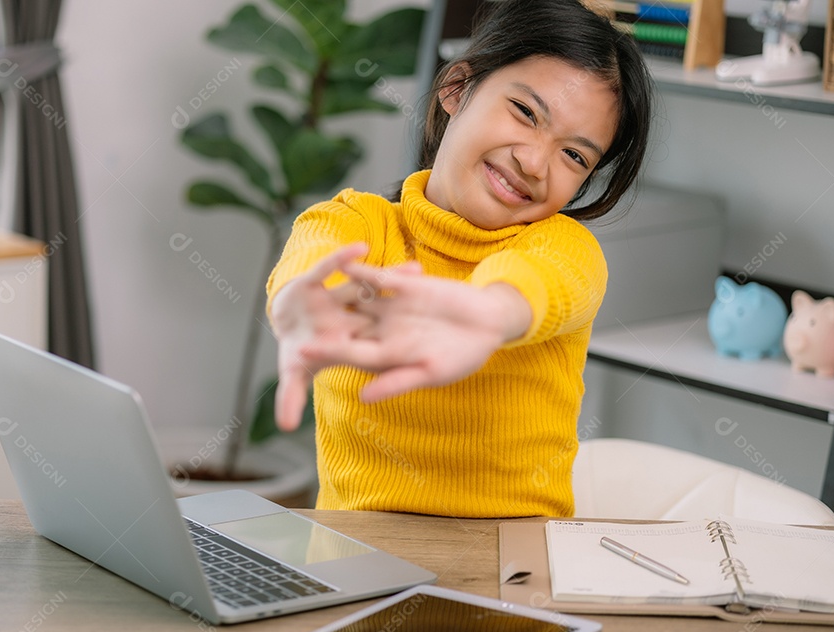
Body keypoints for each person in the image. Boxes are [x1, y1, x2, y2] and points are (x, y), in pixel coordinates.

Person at [265, 0, 653, 518]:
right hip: (353, 571)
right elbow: (313, 257)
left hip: (510, 580)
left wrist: (488, 315)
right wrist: (300, 302)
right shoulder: (357, 221)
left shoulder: (566, 248)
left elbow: (528, 283)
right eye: (526, 112)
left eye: (575, 155)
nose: (534, 162)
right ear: (457, 88)